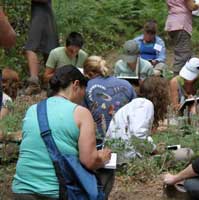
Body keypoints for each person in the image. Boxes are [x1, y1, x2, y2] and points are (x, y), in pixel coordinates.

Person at [12, 65, 112, 200]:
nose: (83, 98)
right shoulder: (81, 113)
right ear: (76, 84)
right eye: (84, 90)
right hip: (54, 192)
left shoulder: (32, 109)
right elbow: (89, 161)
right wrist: (102, 157)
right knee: (107, 172)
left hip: (21, 190)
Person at [106, 76, 169, 159]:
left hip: (118, 154)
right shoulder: (145, 105)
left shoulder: (137, 104)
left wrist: (152, 144)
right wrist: (154, 149)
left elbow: (136, 133)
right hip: (127, 158)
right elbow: (138, 135)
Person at [84, 55, 136, 137]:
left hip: (99, 140)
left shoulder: (85, 88)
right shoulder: (126, 84)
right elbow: (135, 111)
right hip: (126, 137)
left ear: (88, 73)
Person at [25, 0, 59, 95]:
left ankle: (35, 84)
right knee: (48, 49)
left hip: (42, 15)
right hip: (43, 15)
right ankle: (51, 83)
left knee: (31, 48)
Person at [165, 0, 199, 75]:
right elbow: (192, 6)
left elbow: (169, 6)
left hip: (172, 22)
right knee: (182, 55)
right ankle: (177, 81)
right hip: (181, 24)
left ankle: (186, 78)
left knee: (183, 53)